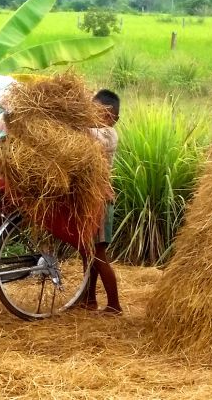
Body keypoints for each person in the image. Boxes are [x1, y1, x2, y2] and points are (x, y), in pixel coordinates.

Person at [79, 89, 122, 315]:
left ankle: (114, 304)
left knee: (98, 254)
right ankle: (88, 298)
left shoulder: (107, 135)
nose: (89, 114)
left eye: (94, 110)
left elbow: (85, 134)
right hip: (92, 199)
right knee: (88, 252)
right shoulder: (96, 131)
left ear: (107, 114)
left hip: (101, 202)